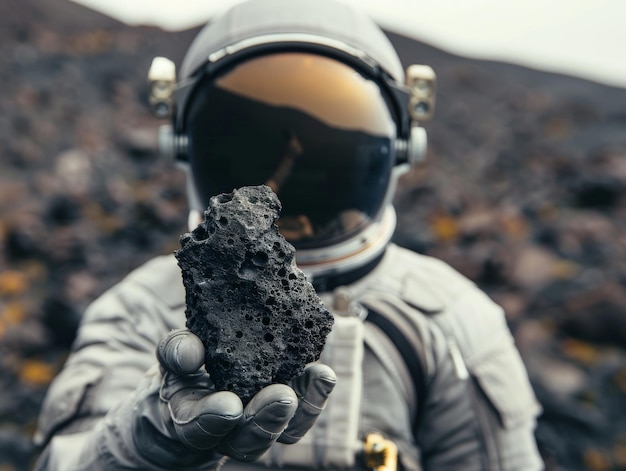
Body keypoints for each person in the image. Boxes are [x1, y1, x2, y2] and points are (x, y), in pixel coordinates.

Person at [33, 0, 544, 469]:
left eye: (326, 156)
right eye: (252, 153)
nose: (289, 199)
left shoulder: (450, 323)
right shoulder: (139, 310)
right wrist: (143, 440)